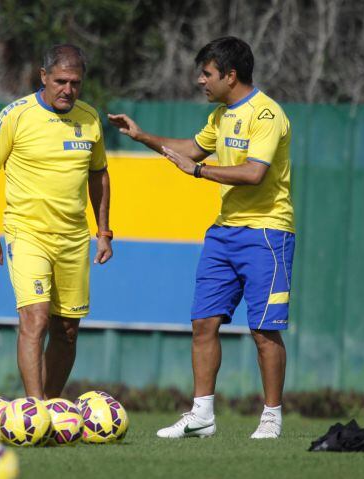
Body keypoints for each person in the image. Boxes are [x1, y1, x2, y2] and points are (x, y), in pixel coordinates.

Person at [108, 36, 294, 439]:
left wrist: (201, 173)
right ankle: (202, 414)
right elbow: (190, 150)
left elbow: (253, 173)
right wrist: (143, 137)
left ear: (230, 75)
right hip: (224, 234)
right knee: (203, 323)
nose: (200, 80)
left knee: (264, 330)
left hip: (266, 233)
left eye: (207, 73)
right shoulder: (221, 116)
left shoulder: (267, 115)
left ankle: (272, 416)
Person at [0, 44, 113, 400]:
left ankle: (49, 407)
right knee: (34, 319)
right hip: (28, 234)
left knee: (66, 330)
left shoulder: (89, 118)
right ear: (44, 78)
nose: (68, 89)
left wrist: (104, 232)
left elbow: (99, 176)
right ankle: (33, 410)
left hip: (72, 239)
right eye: (61, 81)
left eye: (76, 83)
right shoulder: (16, 115)